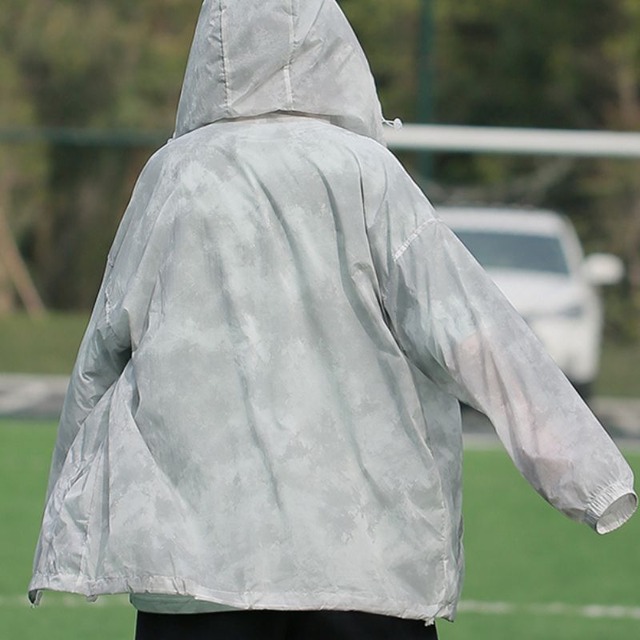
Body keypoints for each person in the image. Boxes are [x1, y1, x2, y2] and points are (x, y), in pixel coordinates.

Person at [29, 1, 636, 639]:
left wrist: (64, 518)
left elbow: (101, 354)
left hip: (196, 572)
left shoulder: (173, 176)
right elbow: (472, 333)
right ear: (331, 46)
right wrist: (584, 473)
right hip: (366, 570)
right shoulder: (368, 174)